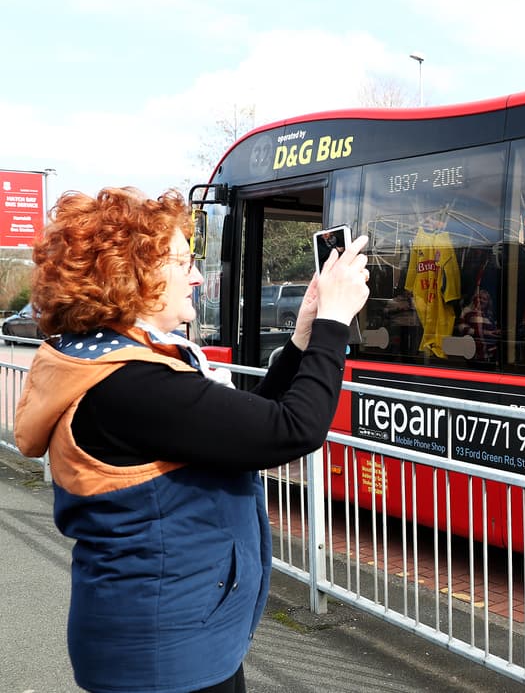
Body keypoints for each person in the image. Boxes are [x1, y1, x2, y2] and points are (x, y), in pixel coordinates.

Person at [14, 187, 370, 693]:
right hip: (165, 653)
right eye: (183, 263)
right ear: (131, 276)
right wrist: (335, 324)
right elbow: (293, 429)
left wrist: (303, 337)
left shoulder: (118, 367)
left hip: (169, 634)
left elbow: (243, 428)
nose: (198, 277)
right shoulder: (130, 386)